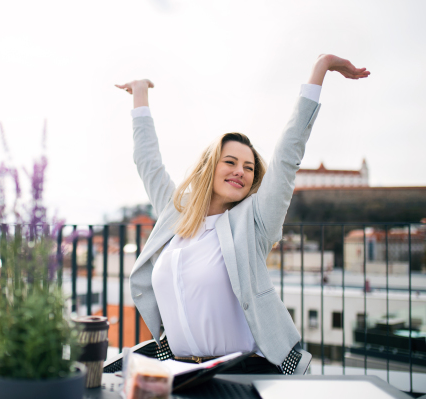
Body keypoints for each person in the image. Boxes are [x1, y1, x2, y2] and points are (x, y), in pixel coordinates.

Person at [115, 54, 370, 374]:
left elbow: (288, 154)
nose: (240, 172)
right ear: (210, 166)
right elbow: (147, 162)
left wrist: (321, 68)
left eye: (249, 167)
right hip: (179, 372)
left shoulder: (254, 222)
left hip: (241, 374)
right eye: (231, 162)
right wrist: (140, 94)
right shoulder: (176, 212)